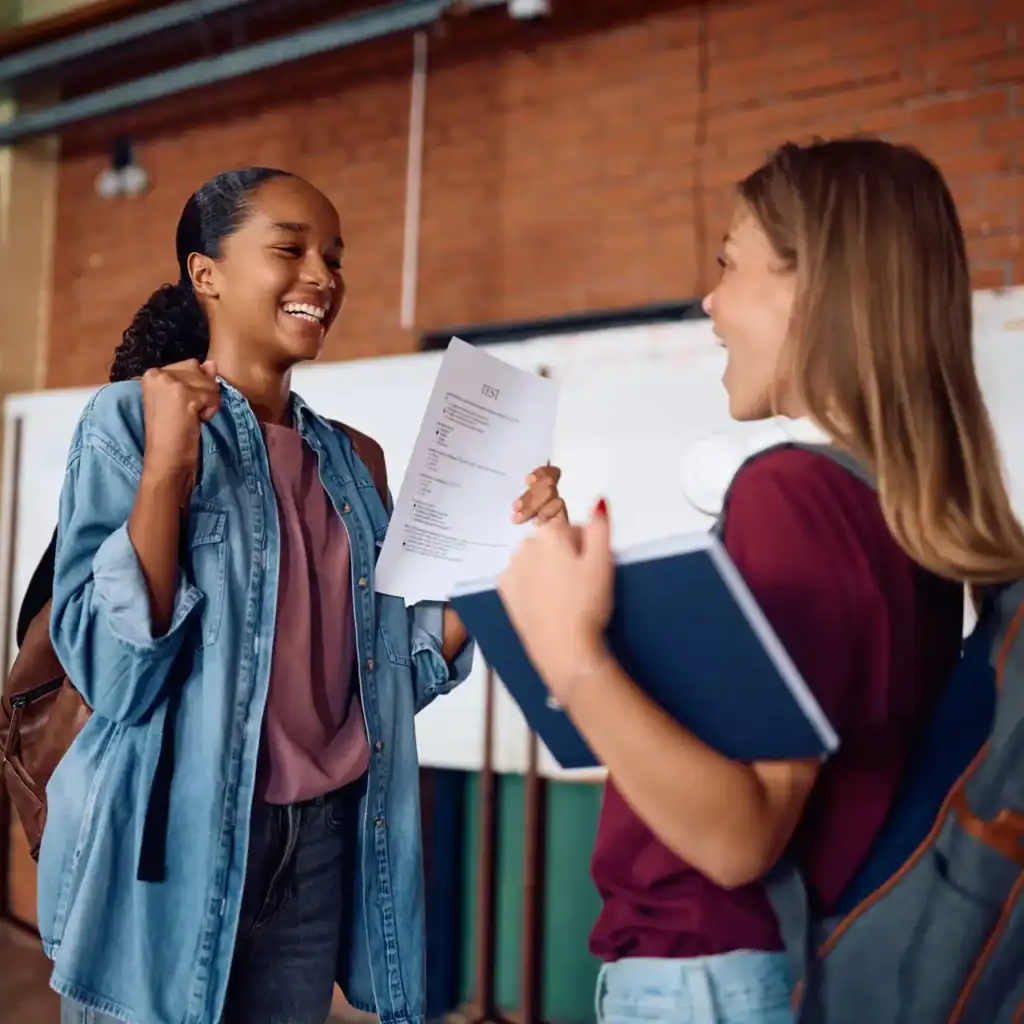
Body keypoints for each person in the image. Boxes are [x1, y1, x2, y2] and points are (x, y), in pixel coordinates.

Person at [496, 137, 1024, 1024]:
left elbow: (739, 837)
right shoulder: (894, 510)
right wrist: (573, 593)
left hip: (710, 980)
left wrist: (573, 656)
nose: (709, 301)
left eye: (728, 263)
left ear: (810, 285)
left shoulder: (791, 495)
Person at [43, 167, 566, 1024]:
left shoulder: (356, 464)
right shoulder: (128, 422)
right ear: (206, 272)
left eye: (334, 258)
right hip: (166, 845)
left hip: (318, 847)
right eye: (290, 250)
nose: (322, 277)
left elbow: (395, 675)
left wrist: (504, 546)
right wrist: (168, 470)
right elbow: (113, 673)